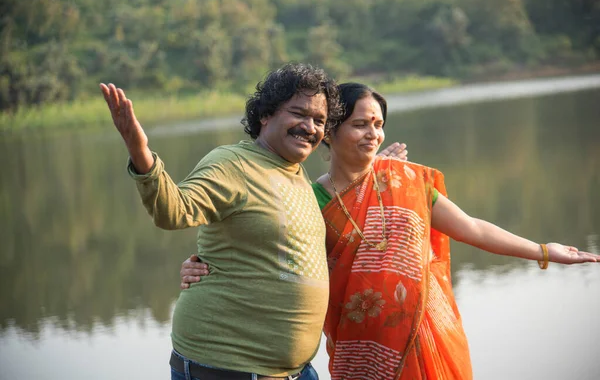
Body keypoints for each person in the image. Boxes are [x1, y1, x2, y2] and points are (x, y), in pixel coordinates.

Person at [181, 82, 600, 380]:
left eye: (379, 124)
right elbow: (266, 255)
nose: (374, 133)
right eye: (362, 124)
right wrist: (202, 267)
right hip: (359, 349)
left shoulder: (405, 182)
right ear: (330, 131)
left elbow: (473, 229)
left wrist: (544, 251)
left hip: (426, 336)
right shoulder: (308, 199)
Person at [100, 63, 346, 380]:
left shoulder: (295, 172)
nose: (309, 127)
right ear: (266, 115)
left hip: (294, 372)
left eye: (319, 121)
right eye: (299, 113)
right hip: (227, 369)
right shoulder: (232, 163)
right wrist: (139, 150)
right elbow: (173, 210)